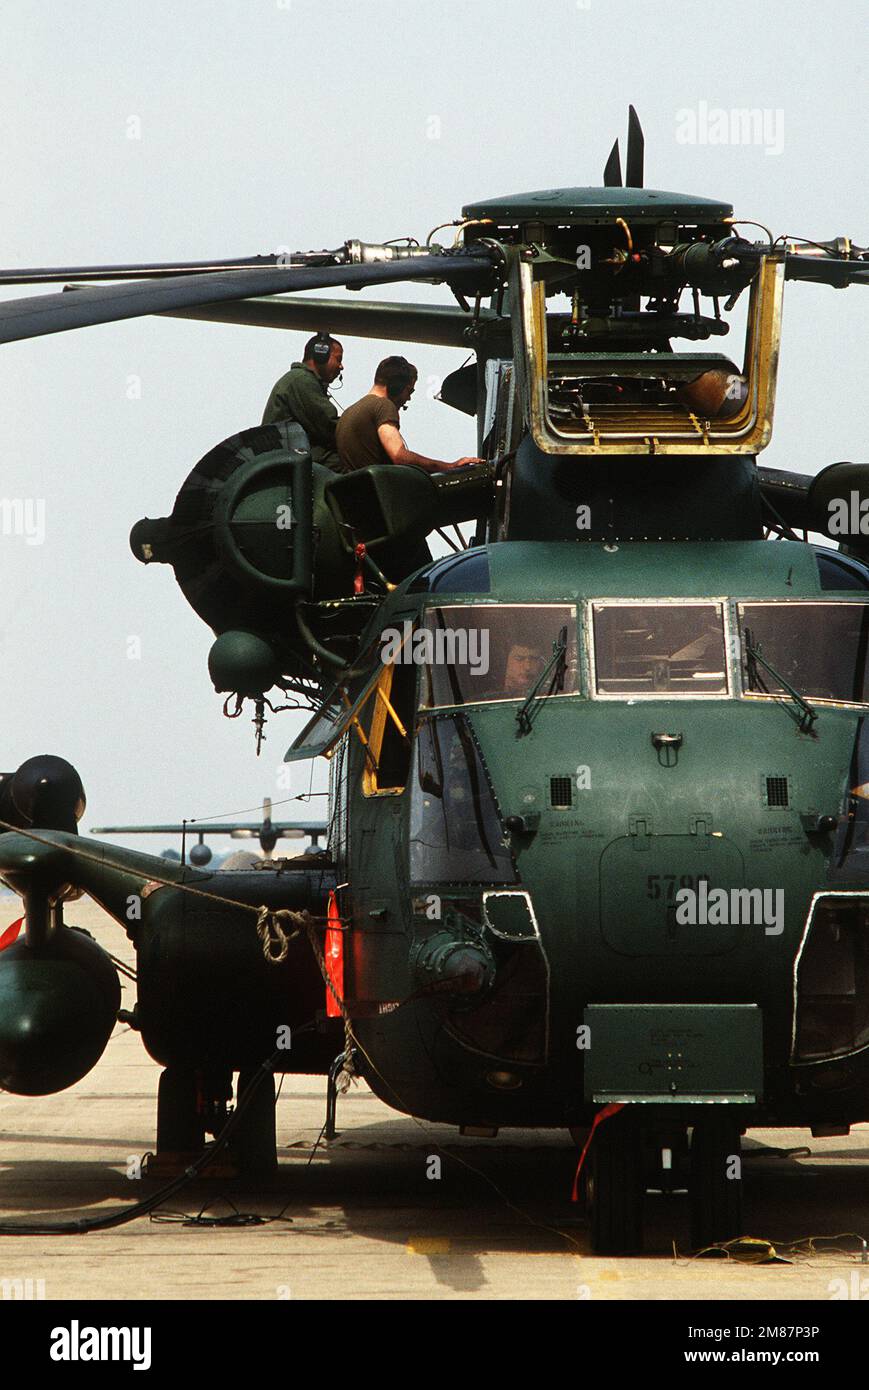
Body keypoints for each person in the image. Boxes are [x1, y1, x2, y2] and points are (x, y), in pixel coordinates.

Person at [335, 356, 483, 475]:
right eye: (409, 391)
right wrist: (449, 466)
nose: (409, 398)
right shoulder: (383, 406)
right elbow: (399, 456)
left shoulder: (349, 412)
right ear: (396, 386)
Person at [262, 334, 344, 469]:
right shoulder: (301, 380)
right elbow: (329, 426)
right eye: (338, 359)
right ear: (320, 355)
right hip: (291, 458)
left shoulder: (301, 380)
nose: (341, 366)